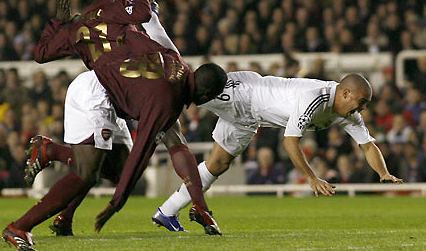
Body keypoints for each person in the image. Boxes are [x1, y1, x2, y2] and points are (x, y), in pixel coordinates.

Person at [3, 0, 227, 251]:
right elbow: (145, 14)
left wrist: (58, 22)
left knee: (118, 171)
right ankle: (20, 226)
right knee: (87, 170)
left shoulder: (80, 27)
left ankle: (62, 203)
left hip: (118, 88)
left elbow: (42, 52)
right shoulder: (123, 14)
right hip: (99, 90)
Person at [154, 71, 403, 231]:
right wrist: (312, 177)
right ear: (346, 93)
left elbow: (368, 145)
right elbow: (290, 142)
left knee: (217, 165)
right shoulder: (315, 98)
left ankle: (167, 212)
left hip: (250, 119)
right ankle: (141, 79)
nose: (362, 110)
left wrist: (383, 173)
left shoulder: (349, 115)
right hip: (244, 94)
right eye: (361, 103)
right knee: (182, 90)